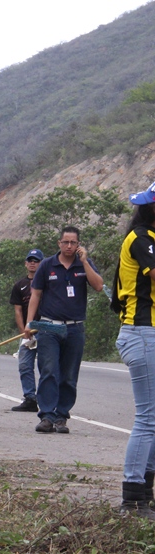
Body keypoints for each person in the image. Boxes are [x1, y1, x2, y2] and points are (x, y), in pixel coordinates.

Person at [24, 226, 103, 434]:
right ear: (59, 243)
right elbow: (36, 295)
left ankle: (61, 417)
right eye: (65, 242)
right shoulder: (47, 265)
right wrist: (30, 323)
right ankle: (47, 416)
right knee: (49, 370)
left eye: (73, 242)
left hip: (75, 327)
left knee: (68, 375)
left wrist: (85, 261)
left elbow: (99, 286)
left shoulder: (83, 264)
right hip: (49, 326)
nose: (69, 246)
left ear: (79, 245)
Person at [113, 181, 155, 517]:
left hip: (146, 333)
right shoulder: (141, 239)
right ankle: (133, 496)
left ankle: (145, 492)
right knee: (148, 417)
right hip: (142, 333)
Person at [9, 249, 44, 412]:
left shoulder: (47, 283)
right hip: (28, 333)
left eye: (36, 260)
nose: (32, 263)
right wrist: (24, 331)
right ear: (25, 263)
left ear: (41, 263)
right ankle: (30, 398)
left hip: (45, 330)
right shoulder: (19, 285)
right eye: (30, 260)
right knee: (24, 365)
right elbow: (17, 310)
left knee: (46, 367)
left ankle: (47, 400)